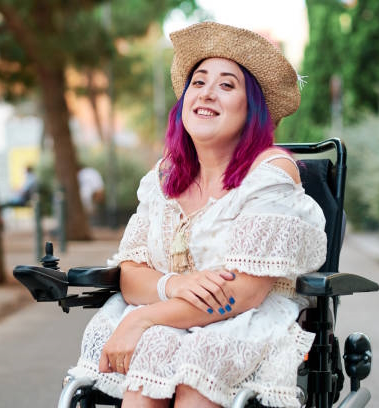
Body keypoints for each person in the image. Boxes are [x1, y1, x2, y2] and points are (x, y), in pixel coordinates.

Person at [69, 22, 327, 408]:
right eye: (199, 82)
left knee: (191, 363)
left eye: (227, 85)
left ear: (251, 107)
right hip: (171, 317)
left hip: (244, 321)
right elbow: (132, 272)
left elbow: (242, 292)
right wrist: (171, 285)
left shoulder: (270, 173)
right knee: (155, 344)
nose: (207, 92)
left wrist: (142, 319)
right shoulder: (164, 176)